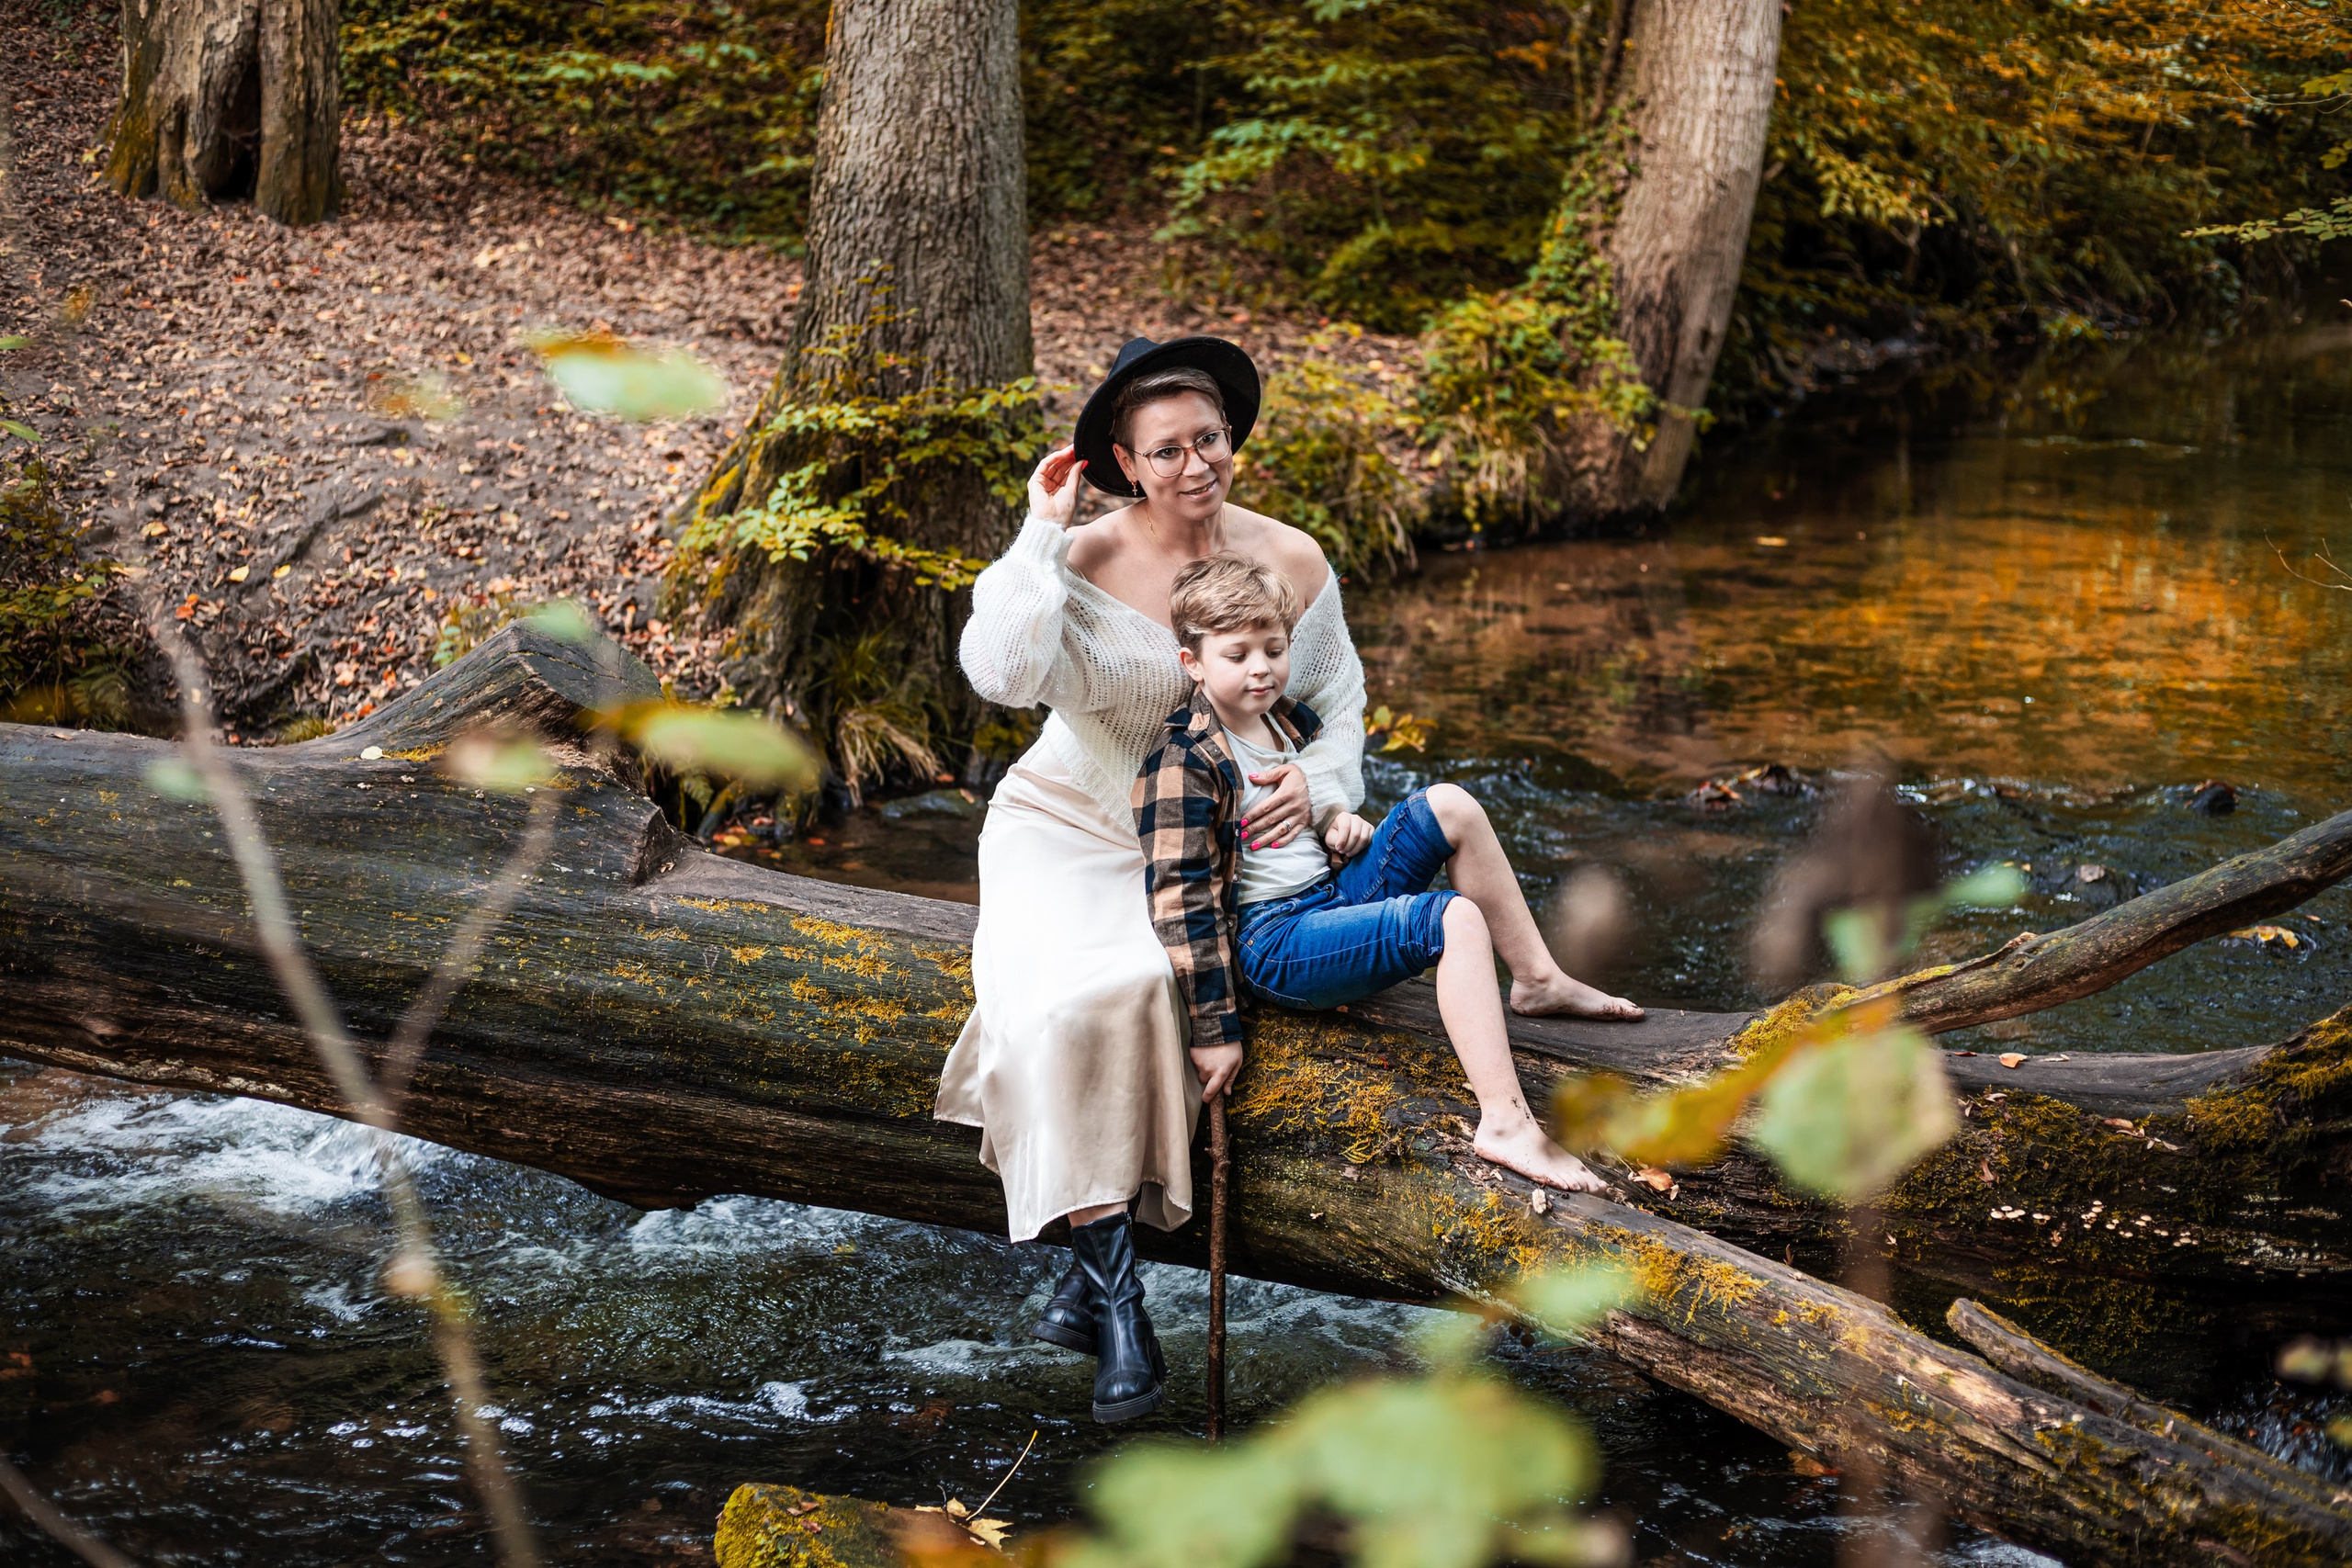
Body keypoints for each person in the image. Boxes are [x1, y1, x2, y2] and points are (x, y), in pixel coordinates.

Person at [937, 336, 1368, 1424]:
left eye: (1209, 439)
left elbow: (1335, 708)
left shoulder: (1292, 560)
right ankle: (1121, 1304)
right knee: (1064, 1000)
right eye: (1166, 449)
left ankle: (1086, 1279)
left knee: (1146, 986)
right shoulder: (1076, 560)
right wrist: (1039, 531)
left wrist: (1310, 795)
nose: (1194, 465)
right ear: (1127, 463)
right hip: (1063, 825)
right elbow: (1000, 675)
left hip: (1190, 842)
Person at [1136, 554, 1645, 1198]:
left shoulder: (1285, 721)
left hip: (1325, 896)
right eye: (1237, 655)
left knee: (1450, 804)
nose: (1261, 666)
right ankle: (1506, 1121)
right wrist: (1214, 1031)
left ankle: (1538, 980)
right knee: (1454, 917)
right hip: (1275, 943)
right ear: (1193, 663)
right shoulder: (1184, 759)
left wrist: (1340, 827)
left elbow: (1298, 832)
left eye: (1273, 647)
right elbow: (1183, 902)